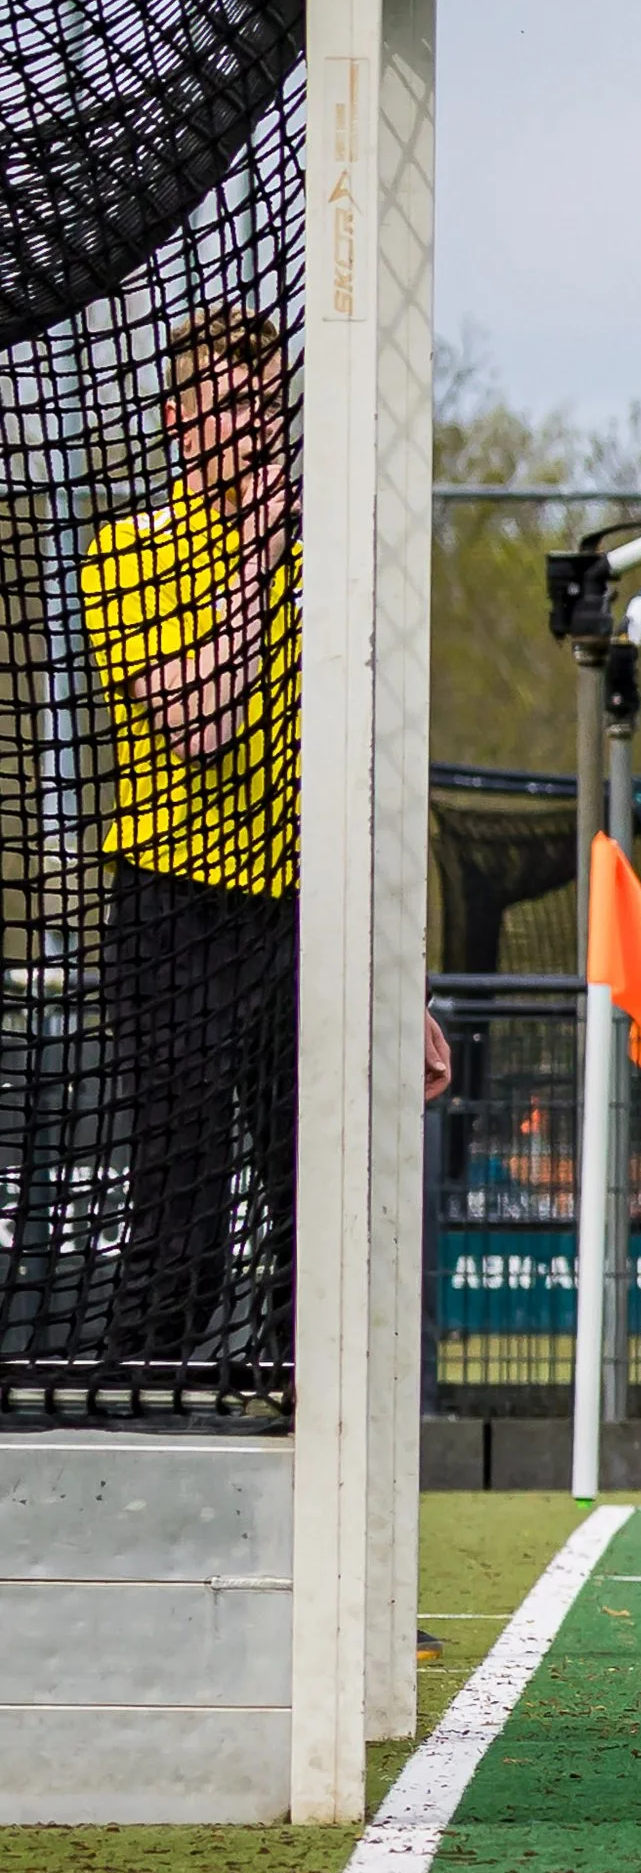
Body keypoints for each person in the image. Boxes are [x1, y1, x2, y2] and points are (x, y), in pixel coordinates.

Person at [79, 307, 299, 1377]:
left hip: (297, 911)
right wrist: (258, 553)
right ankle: (122, 1414)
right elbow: (200, 722)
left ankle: (307, 1418)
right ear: (178, 417)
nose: (253, 428)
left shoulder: (322, 559)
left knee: (324, 1217)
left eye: (265, 405)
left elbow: (362, 773)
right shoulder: (128, 550)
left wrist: (409, 981)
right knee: (186, 1238)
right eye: (229, 405)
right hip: (172, 912)